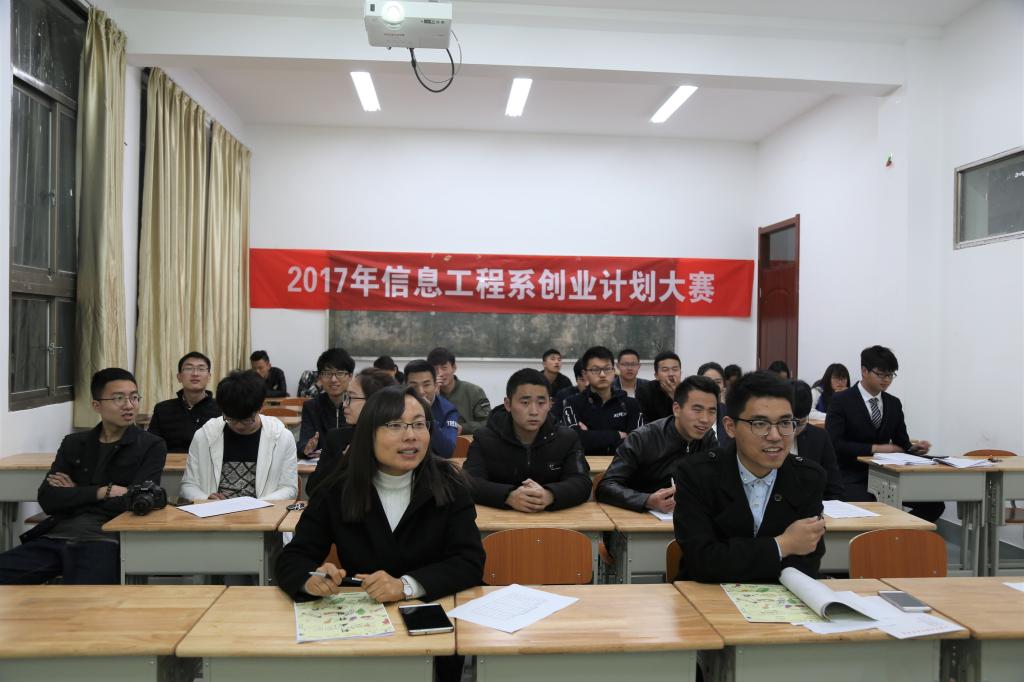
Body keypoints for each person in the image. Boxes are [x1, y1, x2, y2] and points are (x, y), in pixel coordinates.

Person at [276, 386, 484, 682]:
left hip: (432, 628)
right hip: (363, 630)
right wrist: (309, 580)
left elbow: (469, 562)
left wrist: (405, 586)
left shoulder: (450, 484)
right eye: (395, 425)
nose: (411, 436)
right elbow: (294, 557)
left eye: (419, 424)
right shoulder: (338, 488)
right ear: (368, 433)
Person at [0, 368, 166, 585]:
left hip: (105, 537)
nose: (129, 405)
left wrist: (75, 493)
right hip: (56, 534)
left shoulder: (151, 445)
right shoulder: (74, 443)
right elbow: (48, 499)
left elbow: (135, 500)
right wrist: (103, 492)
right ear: (96, 405)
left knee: (85, 596)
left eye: (134, 397)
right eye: (118, 398)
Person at [673, 370, 826, 583]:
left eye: (784, 423)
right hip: (706, 596)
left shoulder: (809, 477)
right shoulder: (697, 474)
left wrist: (733, 557)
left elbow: (806, 561)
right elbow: (703, 561)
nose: (775, 436)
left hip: (781, 597)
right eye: (760, 424)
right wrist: (783, 545)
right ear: (730, 427)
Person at [825, 345, 940, 521]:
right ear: (864, 371)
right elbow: (834, 443)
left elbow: (901, 443)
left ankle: (899, 534)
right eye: (881, 374)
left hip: (888, 477)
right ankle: (885, 533)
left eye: (890, 375)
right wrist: (875, 448)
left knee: (934, 505)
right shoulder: (841, 400)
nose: (886, 380)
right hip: (851, 475)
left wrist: (913, 448)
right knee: (875, 508)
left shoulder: (893, 403)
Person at [464, 369, 591, 511]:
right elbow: (469, 482)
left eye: (541, 403)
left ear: (550, 404)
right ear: (508, 404)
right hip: (500, 520)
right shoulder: (485, 438)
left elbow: (582, 482)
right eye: (525, 402)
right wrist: (508, 496)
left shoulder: (567, 438)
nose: (534, 411)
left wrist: (550, 495)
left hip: (552, 519)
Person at [597, 375, 719, 513]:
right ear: (677, 409)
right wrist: (647, 500)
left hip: (688, 516)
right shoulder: (642, 438)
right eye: (697, 410)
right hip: (638, 518)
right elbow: (606, 487)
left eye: (711, 411)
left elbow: (717, 482)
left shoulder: (708, 438)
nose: (705, 419)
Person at [180, 370, 298, 502]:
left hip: (263, 511)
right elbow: (188, 485)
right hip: (215, 510)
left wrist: (259, 504)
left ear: (261, 407)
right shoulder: (205, 435)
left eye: (246, 420)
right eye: (231, 419)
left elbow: (289, 488)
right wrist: (206, 499)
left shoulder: (282, 437)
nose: (239, 426)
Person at [306, 368, 397, 496]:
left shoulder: (398, 441)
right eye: (346, 397)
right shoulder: (337, 438)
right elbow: (312, 488)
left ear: (374, 401)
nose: (344, 404)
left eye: (351, 398)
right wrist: (342, 461)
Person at [561, 346, 643, 455]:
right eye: (595, 370)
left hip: (622, 463)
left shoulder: (630, 404)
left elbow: (635, 442)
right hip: (585, 463)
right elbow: (573, 440)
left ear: (614, 371)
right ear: (585, 374)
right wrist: (617, 435)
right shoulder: (573, 403)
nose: (602, 374)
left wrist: (590, 435)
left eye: (607, 369)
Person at [147, 351, 221, 452]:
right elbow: (151, 446)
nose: (195, 374)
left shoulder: (222, 408)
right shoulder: (162, 409)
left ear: (209, 377)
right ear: (179, 377)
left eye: (201, 369)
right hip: (170, 461)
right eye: (189, 368)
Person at [791, 380, 845, 500]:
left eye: (800, 424)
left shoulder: (819, 437)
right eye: (788, 423)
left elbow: (835, 488)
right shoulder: (767, 438)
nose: (793, 430)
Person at [297, 348, 355, 458]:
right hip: (320, 465)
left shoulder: (359, 405)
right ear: (320, 377)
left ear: (350, 376)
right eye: (327, 373)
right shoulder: (311, 406)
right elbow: (303, 443)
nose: (333, 379)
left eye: (340, 373)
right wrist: (307, 448)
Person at [427, 347, 491, 436]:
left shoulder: (474, 391)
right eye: (435, 369)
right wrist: (434, 398)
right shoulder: (426, 394)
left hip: (467, 442)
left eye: (444, 368)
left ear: (454, 368)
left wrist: (464, 428)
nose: (440, 373)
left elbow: (488, 422)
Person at [404, 360, 460, 458]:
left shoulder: (449, 410)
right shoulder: (396, 406)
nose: (421, 392)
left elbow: (447, 450)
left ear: (435, 385)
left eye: (426, 385)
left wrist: (427, 413)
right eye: (413, 386)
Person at [636, 351, 682, 422]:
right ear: (656, 376)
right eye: (665, 370)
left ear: (680, 373)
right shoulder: (645, 391)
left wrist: (674, 395)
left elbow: (686, 420)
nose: (671, 374)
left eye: (675, 369)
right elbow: (645, 423)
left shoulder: (689, 390)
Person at [697, 361, 730, 446]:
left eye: (718, 382)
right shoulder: (690, 415)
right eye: (707, 381)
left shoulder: (730, 414)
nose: (713, 386)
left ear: (724, 386)